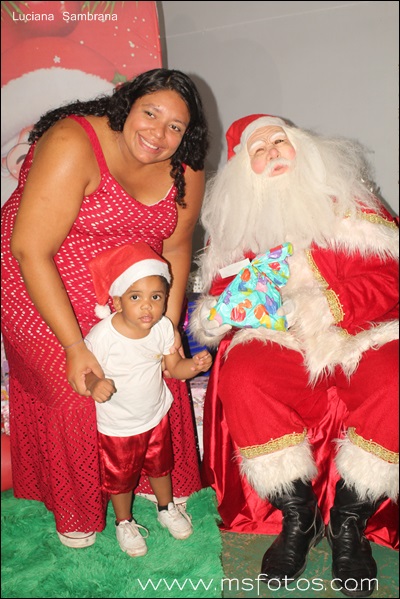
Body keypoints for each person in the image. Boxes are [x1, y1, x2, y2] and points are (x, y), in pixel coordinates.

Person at [190, 114, 399, 597]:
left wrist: (325, 306)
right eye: (258, 151)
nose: (271, 154)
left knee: (395, 377)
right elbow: (223, 295)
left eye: (278, 141)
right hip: (282, 341)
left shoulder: (354, 202)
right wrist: (219, 313)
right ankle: (298, 516)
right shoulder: (236, 228)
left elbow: (390, 280)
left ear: (300, 146)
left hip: (360, 332)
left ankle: (350, 520)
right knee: (244, 373)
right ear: (245, 170)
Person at [1, 68, 208, 548]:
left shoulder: (186, 169)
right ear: (126, 105)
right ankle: (79, 507)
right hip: (42, 277)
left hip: (131, 282)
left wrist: (166, 329)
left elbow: (177, 246)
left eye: (175, 126)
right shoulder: (73, 141)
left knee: (158, 370)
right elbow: (31, 249)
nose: (158, 133)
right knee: (81, 388)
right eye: (150, 113)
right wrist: (75, 347)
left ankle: (156, 489)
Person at [84, 242, 212, 557]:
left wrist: (193, 366)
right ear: (117, 301)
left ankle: (166, 508)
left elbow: (174, 368)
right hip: (118, 425)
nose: (147, 307)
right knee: (121, 478)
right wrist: (95, 383)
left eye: (156, 297)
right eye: (135, 297)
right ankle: (124, 521)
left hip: (155, 416)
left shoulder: (163, 327)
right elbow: (83, 371)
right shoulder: (103, 336)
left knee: (160, 467)